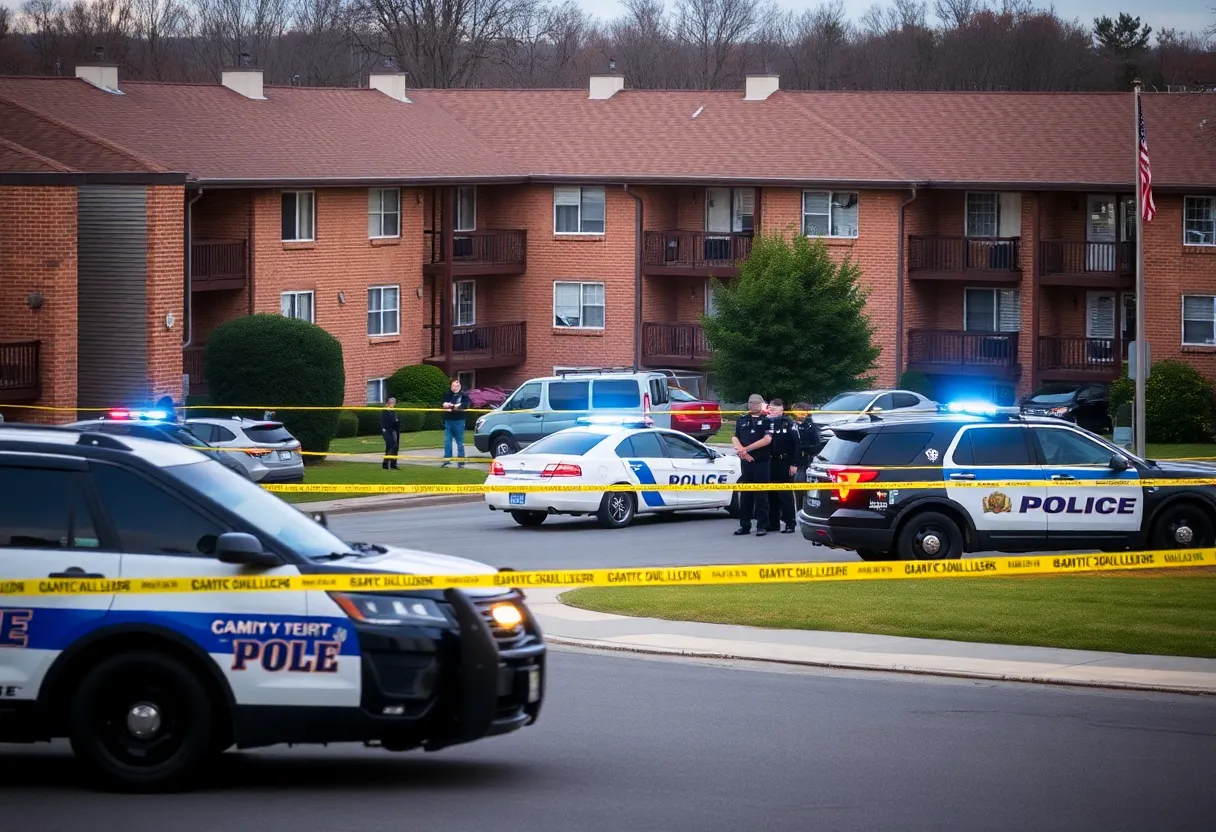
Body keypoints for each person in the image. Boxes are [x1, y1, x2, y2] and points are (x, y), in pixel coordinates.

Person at [732, 394, 773, 536]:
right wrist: (741, 450)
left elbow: (767, 439)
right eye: (750, 403)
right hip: (745, 462)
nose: (753, 405)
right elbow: (735, 437)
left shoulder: (767, 421)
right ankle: (745, 525)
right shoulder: (742, 419)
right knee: (745, 495)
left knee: (761, 494)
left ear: (761, 405)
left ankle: (762, 525)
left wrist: (747, 449)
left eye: (756, 403)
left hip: (761, 461)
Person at [764, 398, 799, 533]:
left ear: (782, 409)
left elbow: (797, 444)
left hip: (784, 462)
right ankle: (773, 523)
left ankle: (790, 523)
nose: (772, 410)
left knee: (784, 494)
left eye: (775, 408)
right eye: (771, 408)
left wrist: (794, 463)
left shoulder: (788, 423)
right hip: (770, 462)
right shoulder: (767, 423)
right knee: (771, 493)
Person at [792, 401, 822, 513]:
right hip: (793, 459)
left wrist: (803, 448)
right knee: (794, 488)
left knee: (802, 485)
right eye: (797, 411)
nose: (800, 414)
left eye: (802, 412)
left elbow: (816, 445)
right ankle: (798, 509)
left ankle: (805, 510)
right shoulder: (792, 425)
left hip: (806, 460)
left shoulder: (811, 426)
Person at [441, 377, 471, 468]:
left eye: (457, 385)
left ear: (460, 386)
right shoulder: (447, 394)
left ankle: (461, 460)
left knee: (460, 441)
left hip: (459, 421)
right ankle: (447, 460)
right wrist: (447, 405)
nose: (455, 387)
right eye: (453, 386)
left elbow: (465, 405)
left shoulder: (464, 395)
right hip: (448, 420)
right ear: (451, 386)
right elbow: (443, 403)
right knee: (447, 441)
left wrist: (455, 406)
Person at [381, 397, 400, 470]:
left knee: (395, 447)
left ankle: (393, 464)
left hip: (395, 430)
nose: (393, 403)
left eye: (394, 402)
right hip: (388, 431)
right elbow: (385, 423)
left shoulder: (393, 411)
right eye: (392, 402)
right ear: (388, 403)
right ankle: (385, 463)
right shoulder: (386, 411)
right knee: (391, 446)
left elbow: (395, 420)